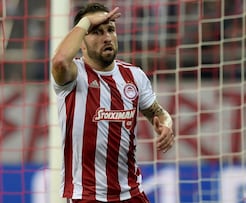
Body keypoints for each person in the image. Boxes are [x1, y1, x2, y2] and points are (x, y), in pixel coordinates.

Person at [51, 2, 175, 203]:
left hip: (131, 193)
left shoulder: (134, 76)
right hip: (87, 196)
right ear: (81, 42)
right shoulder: (74, 75)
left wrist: (167, 125)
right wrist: (86, 22)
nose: (107, 37)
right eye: (96, 31)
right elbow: (59, 61)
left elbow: (158, 113)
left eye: (110, 30)